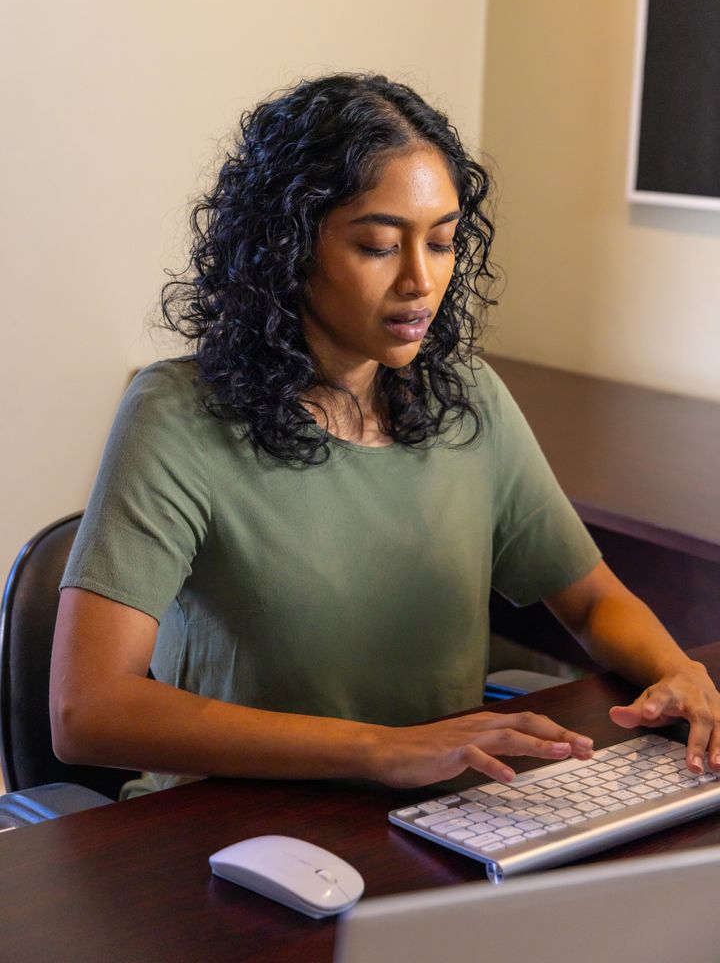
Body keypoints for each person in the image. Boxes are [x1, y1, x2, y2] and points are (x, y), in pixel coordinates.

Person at [50, 73, 720, 798]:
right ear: (288, 248)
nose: (419, 281)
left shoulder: (468, 400)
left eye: (441, 243)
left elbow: (590, 601)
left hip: (437, 818)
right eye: (377, 246)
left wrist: (674, 669)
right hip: (227, 838)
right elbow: (88, 709)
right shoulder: (178, 415)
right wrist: (382, 749)